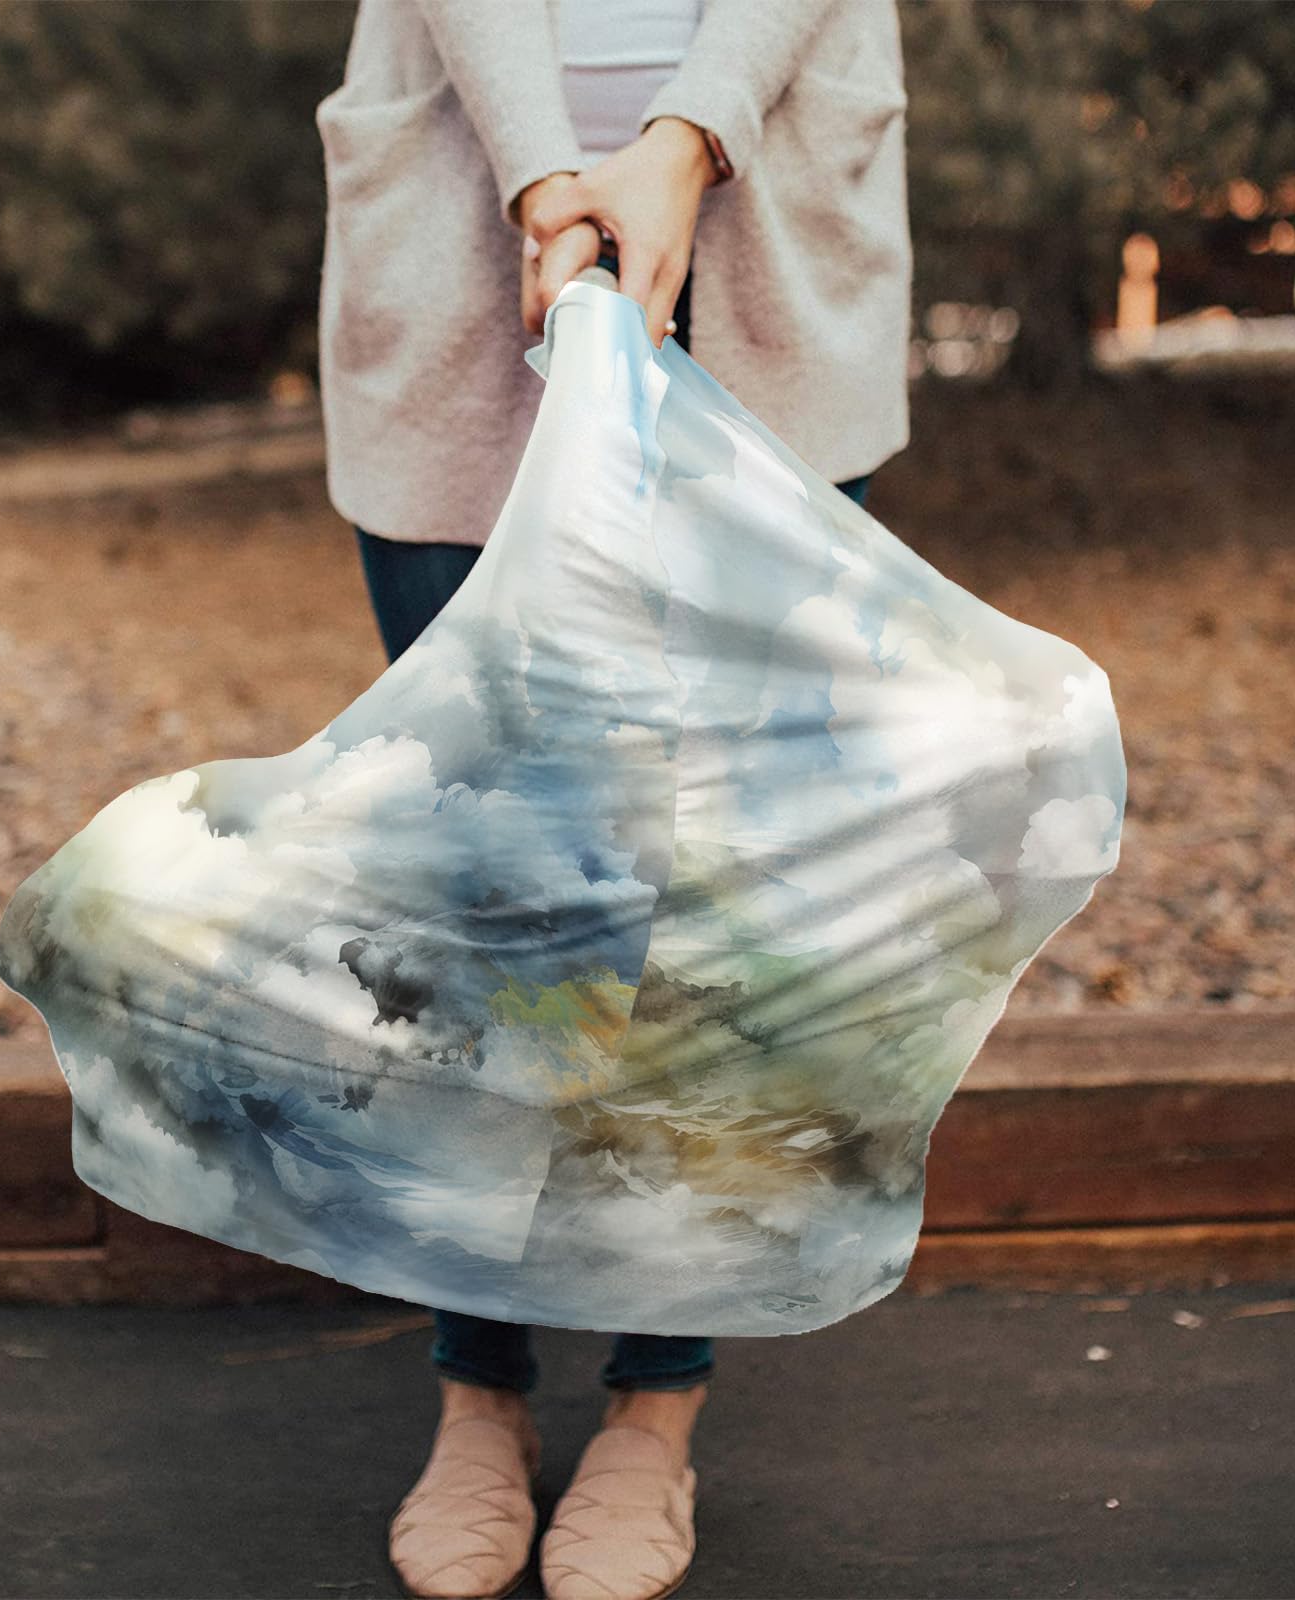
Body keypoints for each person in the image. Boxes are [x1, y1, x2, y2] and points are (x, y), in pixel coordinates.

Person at [313, 3, 911, 1596]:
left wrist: (685, 137)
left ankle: (657, 1403)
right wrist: (541, 178)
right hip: (465, 217)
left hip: (767, 216)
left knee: (713, 888)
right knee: (480, 874)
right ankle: (478, 1389)